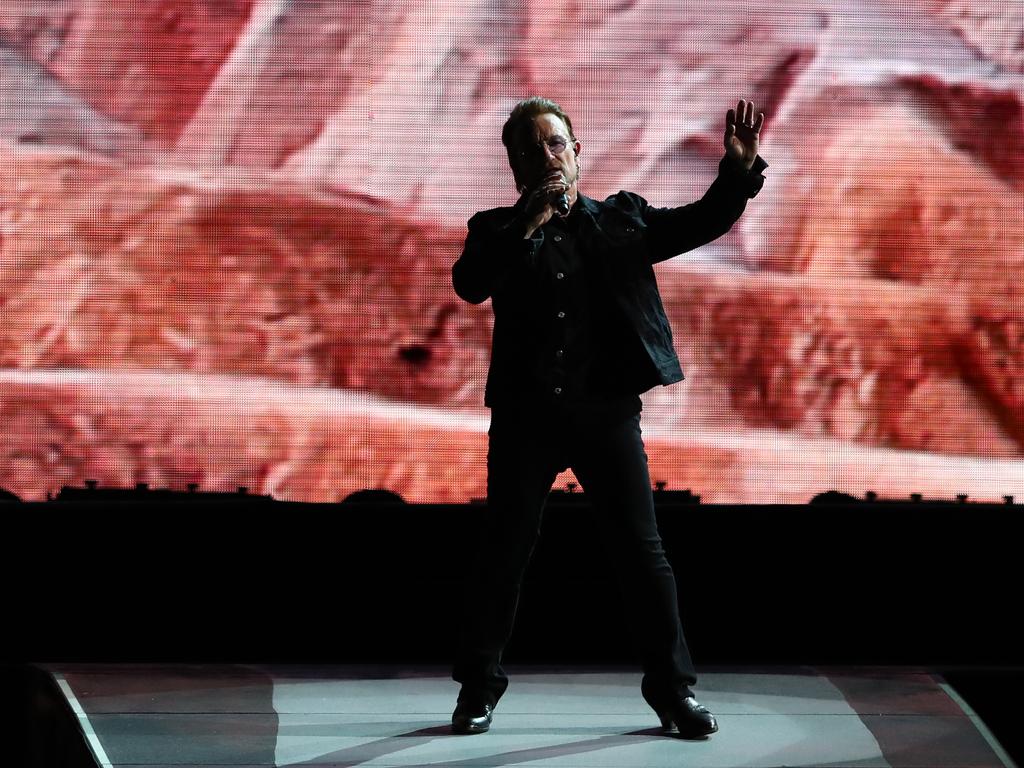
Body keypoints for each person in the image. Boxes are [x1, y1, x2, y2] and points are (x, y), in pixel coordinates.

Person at [449, 96, 767, 738]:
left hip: (606, 415)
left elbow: (699, 222)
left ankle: (674, 694)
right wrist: (529, 222)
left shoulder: (619, 220)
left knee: (642, 554)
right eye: (531, 148)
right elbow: (471, 282)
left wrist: (735, 173)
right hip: (526, 418)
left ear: (575, 150)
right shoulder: (494, 230)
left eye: (556, 144)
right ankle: (477, 691)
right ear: (513, 163)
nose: (547, 157)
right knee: (503, 555)